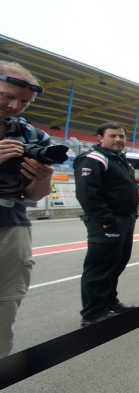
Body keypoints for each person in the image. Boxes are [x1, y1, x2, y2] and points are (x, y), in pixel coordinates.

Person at [0, 61, 55, 358]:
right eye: (6, 96)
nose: (14, 106)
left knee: (3, 312)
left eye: (24, 102)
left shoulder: (32, 136)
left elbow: (33, 195)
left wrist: (43, 179)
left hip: (11, 225)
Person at [74, 122, 139, 327]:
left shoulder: (120, 159)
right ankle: (93, 312)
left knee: (116, 263)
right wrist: (105, 220)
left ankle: (109, 302)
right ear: (100, 138)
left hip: (125, 220)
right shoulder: (94, 159)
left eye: (121, 136)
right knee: (99, 267)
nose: (118, 139)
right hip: (107, 222)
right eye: (113, 136)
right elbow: (87, 192)